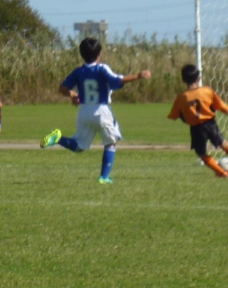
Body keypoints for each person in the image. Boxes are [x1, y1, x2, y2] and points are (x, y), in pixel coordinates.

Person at [39, 37, 151, 184]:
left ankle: (57, 139)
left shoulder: (78, 71)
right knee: (110, 143)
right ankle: (104, 177)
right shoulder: (102, 68)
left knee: (79, 146)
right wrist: (138, 76)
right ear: (99, 54)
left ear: (82, 54)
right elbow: (117, 81)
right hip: (101, 110)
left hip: (84, 111)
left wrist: (73, 95)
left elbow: (63, 88)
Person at [167, 63, 228, 178]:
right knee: (223, 143)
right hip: (210, 123)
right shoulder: (207, 91)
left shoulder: (181, 97)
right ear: (199, 78)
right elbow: (222, 107)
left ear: (183, 80)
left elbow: (174, 116)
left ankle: (221, 172)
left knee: (201, 153)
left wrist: (186, 117)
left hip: (196, 128)